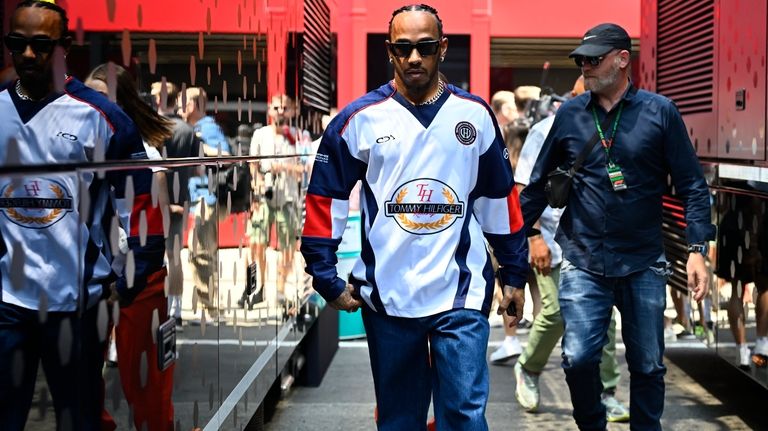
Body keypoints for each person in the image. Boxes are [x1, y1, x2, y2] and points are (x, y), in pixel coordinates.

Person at [300, 4, 528, 429]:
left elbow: (499, 200)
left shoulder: (474, 116)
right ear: (390, 51)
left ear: (443, 47)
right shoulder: (359, 120)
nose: (414, 58)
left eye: (425, 47)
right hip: (389, 299)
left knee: (464, 417)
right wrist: (324, 275)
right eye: (403, 48)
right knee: (399, 421)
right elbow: (325, 198)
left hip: (459, 294)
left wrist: (514, 273)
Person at [520, 23, 715, 431]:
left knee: (647, 365)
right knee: (577, 360)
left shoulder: (660, 112)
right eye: (581, 60)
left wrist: (698, 249)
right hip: (583, 258)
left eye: (594, 59)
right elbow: (536, 187)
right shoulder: (571, 114)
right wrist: (520, 245)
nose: (585, 67)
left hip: (643, 261)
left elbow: (693, 185)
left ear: (622, 59)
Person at [0, 2, 165, 430]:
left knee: (79, 421)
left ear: (64, 47)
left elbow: (140, 205)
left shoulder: (102, 118)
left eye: (41, 45)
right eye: (18, 44)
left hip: (75, 304)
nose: (28, 54)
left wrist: (134, 275)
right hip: (7, 304)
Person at [513, 75, 629, 422]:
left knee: (604, 320)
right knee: (555, 313)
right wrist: (532, 237)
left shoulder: (616, 129)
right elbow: (524, 188)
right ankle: (529, 368)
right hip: (550, 238)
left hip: (597, 244)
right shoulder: (545, 130)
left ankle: (606, 391)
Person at [85, 63, 175, 431]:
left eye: (99, 97)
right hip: (94, 280)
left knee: (144, 385)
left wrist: (124, 287)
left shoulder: (144, 154)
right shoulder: (79, 147)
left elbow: (156, 228)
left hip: (138, 282)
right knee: (85, 381)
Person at [246, 94, 304, 309]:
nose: (281, 111)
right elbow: (252, 165)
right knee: (256, 244)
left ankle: (279, 289)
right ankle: (259, 286)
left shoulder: (298, 135)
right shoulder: (260, 134)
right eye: (277, 107)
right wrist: (257, 183)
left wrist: (284, 167)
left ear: (292, 111)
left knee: (287, 248)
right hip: (263, 198)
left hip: (288, 199)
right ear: (270, 109)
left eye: (285, 108)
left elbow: (305, 168)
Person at [178, 86, 230, 323]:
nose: (180, 108)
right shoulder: (195, 128)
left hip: (206, 199)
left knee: (201, 253)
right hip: (198, 198)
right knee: (197, 253)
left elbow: (226, 156)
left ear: (191, 106)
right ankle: (207, 307)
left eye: (182, 103)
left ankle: (210, 309)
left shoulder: (207, 128)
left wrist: (197, 145)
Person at [151, 80, 200, 327]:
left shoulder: (152, 128)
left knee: (154, 256)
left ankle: (159, 308)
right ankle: (176, 308)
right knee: (175, 256)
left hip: (154, 202)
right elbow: (199, 169)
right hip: (180, 201)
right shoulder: (188, 131)